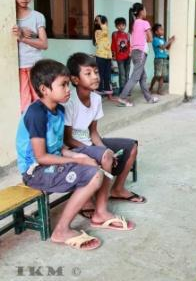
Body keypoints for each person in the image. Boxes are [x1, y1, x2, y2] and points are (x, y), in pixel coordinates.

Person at [16, 59, 134, 251]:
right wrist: (75, 159)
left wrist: (78, 156)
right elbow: (41, 157)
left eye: (67, 84)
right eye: (63, 85)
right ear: (44, 89)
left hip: (50, 162)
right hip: (35, 171)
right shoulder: (36, 113)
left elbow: (59, 146)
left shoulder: (59, 110)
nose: (68, 89)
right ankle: (61, 230)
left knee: (98, 160)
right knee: (93, 174)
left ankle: (100, 212)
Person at [64, 52, 145, 218]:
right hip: (74, 147)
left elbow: (93, 132)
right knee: (103, 156)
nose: (95, 77)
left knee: (131, 146)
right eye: (88, 73)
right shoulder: (69, 101)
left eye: (96, 72)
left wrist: (103, 148)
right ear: (75, 80)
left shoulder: (96, 99)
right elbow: (68, 139)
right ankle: (90, 202)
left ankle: (117, 189)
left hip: (89, 143)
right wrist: (96, 151)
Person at [12, 0, 48, 113]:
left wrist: (23, 39)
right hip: (18, 68)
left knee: (40, 101)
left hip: (35, 67)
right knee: (24, 105)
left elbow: (44, 44)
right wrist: (21, 30)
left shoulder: (37, 16)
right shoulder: (9, 16)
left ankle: (39, 129)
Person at [117, 2, 158, 107]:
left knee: (142, 76)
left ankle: (149, 98)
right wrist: (145, 38)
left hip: (134, 52)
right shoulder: (145, 23)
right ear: (141, 12)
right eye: (145, 10)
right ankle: (122, 97)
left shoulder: (133, 24)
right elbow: (150, 38)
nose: (146, 12)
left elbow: (132, 39)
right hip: (141, 52)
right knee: (136, 76)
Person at [149, 23, 175, 95]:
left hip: (164, 59)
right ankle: (151, 87)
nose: (162, 30)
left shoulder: (162, 39)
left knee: (162, 76)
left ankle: (159, 90)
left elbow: (167, 48)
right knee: (157, 75)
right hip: (158, 59)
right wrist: (169, 41)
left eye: (163, 29)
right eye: (161, 30)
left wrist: (170, 42)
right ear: (156, 32)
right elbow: (162, 47)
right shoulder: (155, 39)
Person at [93, 15, 113, 96]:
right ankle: (99, 88)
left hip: (108, 56)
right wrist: (100, 22)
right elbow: (104, 30)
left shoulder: (105, 31)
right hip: (100, 56)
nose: (105, 24)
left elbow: (106, 29)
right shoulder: (98, 32)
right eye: (102, 22)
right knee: (100, 73)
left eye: (103, 21)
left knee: (107, 73)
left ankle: (106, 88)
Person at [111, 17, 131, 96]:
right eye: (119, 25)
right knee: (122, 75)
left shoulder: (127, 35)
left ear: (125, 26)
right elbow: (113, 46)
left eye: (123, 25)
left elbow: (130, 45)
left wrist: (130, 53)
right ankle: (122, 90)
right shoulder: (115, 34)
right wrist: (113, 55)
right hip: (119, 58)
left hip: (128, 57)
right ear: (116, 26)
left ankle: (127, 90)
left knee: (127, 74)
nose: (121, 27)